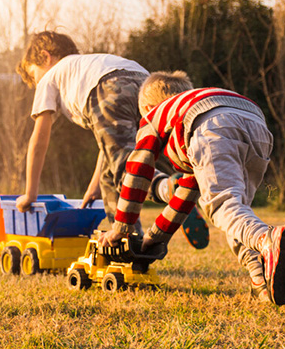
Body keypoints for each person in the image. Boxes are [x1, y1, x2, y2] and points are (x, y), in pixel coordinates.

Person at [98, 71, 285, 306]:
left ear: (147, 106)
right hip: (258, 125)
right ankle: (261, 283)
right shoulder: (189, 107)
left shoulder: (156, 114)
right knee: (235, 212)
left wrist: (122, 227)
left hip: (214, 126)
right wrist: (152, 242)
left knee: (222, 206)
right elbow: (184, 196)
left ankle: (267, 238)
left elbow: (137, 169)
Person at [14, 31, 209, 245]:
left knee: (129, 174)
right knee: (112, 177)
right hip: (145, 82)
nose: (37, 83)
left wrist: (30, 194)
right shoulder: (87, 65)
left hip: (109, 87)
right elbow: (110, 144)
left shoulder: (51, 76)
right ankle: (131, 243)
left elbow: (39, 141)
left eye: (34, 76)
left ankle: (168, 190)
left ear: (45, 57)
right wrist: (94, 185)